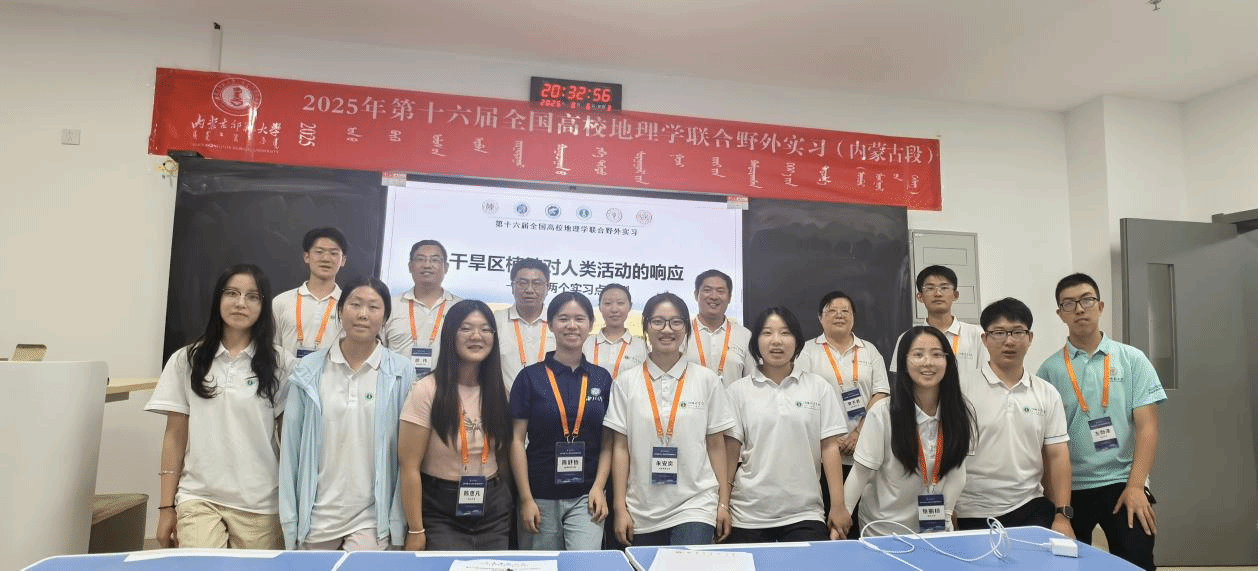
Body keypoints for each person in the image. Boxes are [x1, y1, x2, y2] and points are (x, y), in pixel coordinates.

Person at [147, 264, 292, 549]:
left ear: (263, 306)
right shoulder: (186, 359)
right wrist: (166, 508)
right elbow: (174, 437)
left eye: (252, 296)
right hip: (198, 497)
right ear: (218, 299)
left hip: (261, 504)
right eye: (232, 293)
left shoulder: (281, 363)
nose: (241, 303)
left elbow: (289, 440)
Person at [1036, 273, 1166, 571]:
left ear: (1100, 306)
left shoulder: (1132, 359)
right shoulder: (1049, 370)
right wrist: (1054, 502)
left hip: (1122, 481)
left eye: (1087, 300)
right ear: (1060, 314)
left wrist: (1136, 486)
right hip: (1071, 486)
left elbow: (1148, 428)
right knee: (1066, 564)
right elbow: (1045, 443)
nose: (1079, 309)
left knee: (1137, 560)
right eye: (1069, 304)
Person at [279, 276, 413, 550]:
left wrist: (399, 523)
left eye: (374, 307)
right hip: (316, 513)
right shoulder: (309, 370)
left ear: (385, 317)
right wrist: (291, 520)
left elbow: (406, 455)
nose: (363, 314)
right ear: (340, 311)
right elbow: (291, 448)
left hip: (371, 517)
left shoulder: (401, 372)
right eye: (355, 304)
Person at [605, 292, 736, 546]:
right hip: (642, 508)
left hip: (696, 504)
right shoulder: (625, 383)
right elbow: (620, 448)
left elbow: (716, 446)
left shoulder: (706, 380)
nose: (667, 329)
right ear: (645, 326)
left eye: (676, 322)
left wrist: (722, 503)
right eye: (658, 322)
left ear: (686, 328)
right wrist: (620, 508)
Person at [723, 306, 852, 543]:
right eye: (767, 333)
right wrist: (723, 504)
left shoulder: (818, 388)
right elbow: (730, 455)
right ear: (756, 342)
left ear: (797, 341)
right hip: (748, 515)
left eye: (785, 333)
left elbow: (829, 448)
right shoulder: (738, 391)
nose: (776, 341)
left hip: (805, 513)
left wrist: (838, 505)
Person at [398, 300, 513, 550]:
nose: (477, 336)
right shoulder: (426, 390)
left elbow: (503, 455)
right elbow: (409, 466)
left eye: (485, 329)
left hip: (493, 507)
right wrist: (416, 529)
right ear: (450, 334)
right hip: (440, 509)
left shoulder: (499, 391)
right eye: (466, 328)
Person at [956, 298, 1073, 537]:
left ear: (1030, 338)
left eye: (1018, 332)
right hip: (970, 509)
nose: (1009, 341)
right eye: (998, 332)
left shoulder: (1046, 393)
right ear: (984, 339)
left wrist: (1062, 515)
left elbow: (1058, 455)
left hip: (1029, 505)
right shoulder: (960, 389)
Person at [844, 326, 973, 537]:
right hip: (884, 531)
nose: (928, 362)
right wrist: (843, 515)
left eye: (937, 354)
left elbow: (957, 471)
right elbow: (860, 472)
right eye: (918, 354)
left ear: (947, 361)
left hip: (934, 532)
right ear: (903, 362)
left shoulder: (958, 410)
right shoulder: (882, 413)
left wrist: (946, 513)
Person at [510, 291, 614, 550]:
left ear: (590, 325)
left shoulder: (601, 379)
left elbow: (608, 443)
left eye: (580, 319)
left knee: (584, 566)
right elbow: (516, 441)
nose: (572, 325)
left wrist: (599, 488)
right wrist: (525, 498)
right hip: (539, 496)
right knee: (542, 566)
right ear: (551, 324)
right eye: (563, 318)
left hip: (586, 497)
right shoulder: (530, 377)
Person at [384, 240, 462, 379]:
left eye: (435, 260)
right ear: (410, 266)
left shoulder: (460, 308)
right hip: (397, 387)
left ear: (446, 267)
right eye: (420, 259)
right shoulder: (390, 305)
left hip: (446, 388)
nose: (427, 265)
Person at [890, 265, 987, 374]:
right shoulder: (907, 338)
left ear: (955, 295)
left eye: (944, 288)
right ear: (920, 297)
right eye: (930, 288)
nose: (938, 294)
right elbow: (899, 380)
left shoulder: (976, 335)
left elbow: (987, 377)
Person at [273, 227, 348, 358]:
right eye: (319, 252)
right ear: (306, 257)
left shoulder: (349, 305)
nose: (326, 258)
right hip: (287, 371)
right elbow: (272, 347)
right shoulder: (281, 302)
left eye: (334, 253)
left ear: (343, 260)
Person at [684, 269, 754, 385]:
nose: (714, 296)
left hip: (732, 397)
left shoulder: (745, 336)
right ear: (696, 295)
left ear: (729, 297)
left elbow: (752, 381)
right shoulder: (682, 333)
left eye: (720, 291)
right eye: (707, 290)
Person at [495, 258, 556, 390]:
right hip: (503, 401)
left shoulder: (558, 322)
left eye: (537, 283)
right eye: (522, 283)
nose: (529, 289)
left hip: (550, 401)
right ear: (512, 287)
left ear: (548, 287)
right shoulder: (496, 321)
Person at [583, 283, 648, 379]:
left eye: (620, 303)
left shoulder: (641, 346)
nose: (614, 309)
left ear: (630, 307)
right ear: (599, 307)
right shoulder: (586, 344)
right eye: (607, 303)